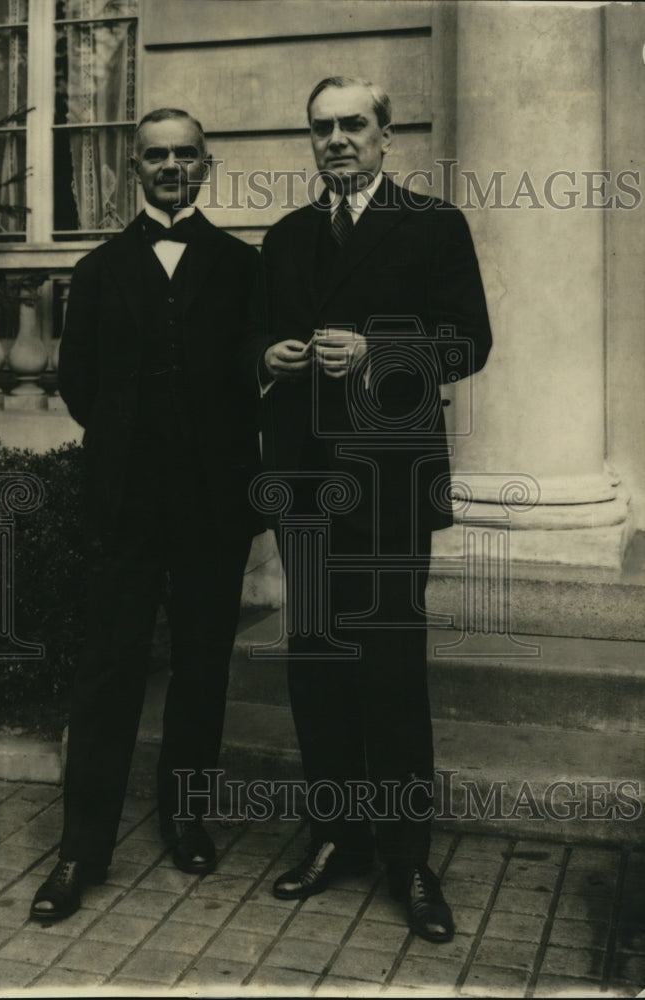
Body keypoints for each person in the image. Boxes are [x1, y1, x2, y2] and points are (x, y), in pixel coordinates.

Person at [259, 76, 492, 943]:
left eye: (353, 125)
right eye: (321, 128)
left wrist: (378, 348)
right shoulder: (284, 237)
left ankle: (409, 859)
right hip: (307, 490)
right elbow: (249, 334)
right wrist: (269, 358)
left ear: (387, 135)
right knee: (316, 667)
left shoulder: (433, 225)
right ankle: (336, 837)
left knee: (391, 675)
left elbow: (469, 340)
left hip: (389, 489)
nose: (337, 140)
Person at [30, 108, 263, 921]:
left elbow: (251, 379)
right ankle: (80, 849)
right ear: (135, 168)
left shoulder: (243, 266)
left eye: (185, 154)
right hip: (124, 505)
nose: (171, 166)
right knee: (108, 672)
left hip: (213, 506)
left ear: (207, 163)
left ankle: (186, 816)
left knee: (202, 669)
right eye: (156, 155)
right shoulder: (97, 271)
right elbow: (79, 383)